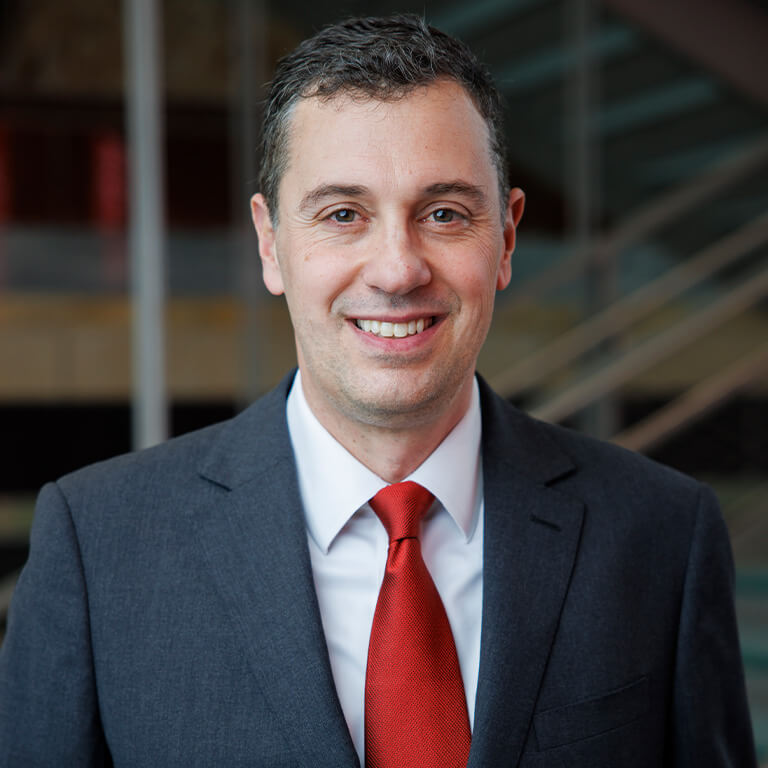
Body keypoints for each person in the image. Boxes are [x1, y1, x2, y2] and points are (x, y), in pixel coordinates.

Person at [0, 14, 756, 768]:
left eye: (444, 214)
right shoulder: (98, 546)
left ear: (506, 237)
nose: (397, 270)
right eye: (343, 214)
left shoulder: (663, 533)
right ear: (270, 242)